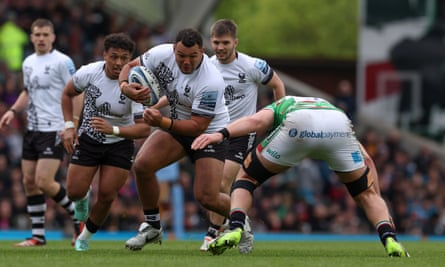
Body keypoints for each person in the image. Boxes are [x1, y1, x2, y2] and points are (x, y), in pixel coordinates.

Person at [191, 96, 410, 257]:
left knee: (246, 179)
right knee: (366, 194)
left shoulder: (282, 104)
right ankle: (390, 238)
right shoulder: (329, 108)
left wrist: (220, 134)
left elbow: (255, 123)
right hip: (338, 126)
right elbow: (368, 161)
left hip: (299, 125)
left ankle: (237, 227)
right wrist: (375, 195)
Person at [118, 28, 230, 251]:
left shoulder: (211, 80)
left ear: (202, 52)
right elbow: (130, 66)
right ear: (173, 49)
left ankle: (240, 218)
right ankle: (152, 227)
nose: (186, 61)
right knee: (142, 166)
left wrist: (161, 122)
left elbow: (198, 125)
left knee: (206, 197)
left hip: (209, 134)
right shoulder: (161, 53)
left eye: (192, 56)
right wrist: (125, 87)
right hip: (177, 126)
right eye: (181, 55)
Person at [200, 18, 286, 253]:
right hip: (215, 132)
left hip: (242, 132)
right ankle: (239, 223)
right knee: (213, 188)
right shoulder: (206, 66)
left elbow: (278, 85)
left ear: (235, 42)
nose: (220, 47)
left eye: (225, 42)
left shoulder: (252, 66)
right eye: (216, 42)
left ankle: (211, 234)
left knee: (221, 183)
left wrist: (277, 120)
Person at [61, 32, 151, 251]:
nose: (118, 63)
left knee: (107, 195)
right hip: (90, 138)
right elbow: (67, 94)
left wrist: (114, 129)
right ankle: (83, 196)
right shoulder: (89, 72)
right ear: (105, 55)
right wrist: (69, 126)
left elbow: (144, 129)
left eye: (124, 58)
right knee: (73, 192)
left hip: (120, 143)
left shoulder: (136, 83)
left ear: (130, 59)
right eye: (114, 57)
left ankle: (85, 236)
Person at [0, 18, 82, 246]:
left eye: (46, 34)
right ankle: (38, 236)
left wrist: (70, 125)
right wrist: (13, 111)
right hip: (33, 130)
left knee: (44, 181)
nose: (42, 38)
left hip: (54, 129)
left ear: (53, 37)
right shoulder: (28, 63)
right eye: (38, 35)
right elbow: (28, 91)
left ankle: (78, 217)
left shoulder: (63, 62)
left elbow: (78, 92)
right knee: (29, 181)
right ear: (32, 37)